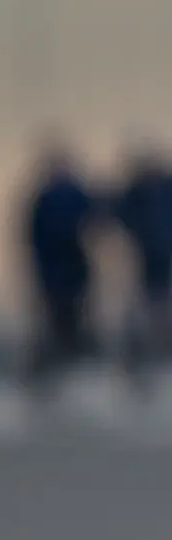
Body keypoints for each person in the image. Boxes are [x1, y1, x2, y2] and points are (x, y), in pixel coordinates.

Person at [20, 141, 103, 380]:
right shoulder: (44, 200)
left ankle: (77, 357)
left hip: (74, 266)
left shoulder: (76, 194)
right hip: (54, 269)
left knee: (78, 311)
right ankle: (60, 358)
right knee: (57, 315)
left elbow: (95, 223)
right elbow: (33, 237)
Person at [117, 147, 172, 381]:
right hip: (146, 252)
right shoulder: (136, 192)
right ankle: (153, 340)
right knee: (149, 296)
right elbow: (123, 214)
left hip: (162, 251)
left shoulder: (164, 188)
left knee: (159, 295)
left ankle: (162, 339)